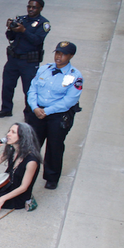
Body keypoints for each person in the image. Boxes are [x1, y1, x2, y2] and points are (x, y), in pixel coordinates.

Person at [26, 41, 83, 190]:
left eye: (63, 54)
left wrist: (47, 111)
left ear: (71, 56)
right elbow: (32, 89)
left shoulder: (75, 77)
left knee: (54, 146)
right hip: (37, 112)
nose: (59, 56)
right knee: (32, 145)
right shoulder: (44, 69)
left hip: (57, 115)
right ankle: (27, 173)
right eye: (57, 53)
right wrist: (35, 107)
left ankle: (51, 177)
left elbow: (69, 101)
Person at [0, 0, 50, 118]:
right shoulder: (21, 19)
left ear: (41, 8)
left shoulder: (43, 23)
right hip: (13, 59)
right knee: (7, 86)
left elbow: (37, 40)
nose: (31, 9)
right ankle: (6, 109)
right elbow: (10, 37)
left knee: (29, 89)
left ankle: (29, 114)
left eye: (34, 7)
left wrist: (24, 30)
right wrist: (10, 28)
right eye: (29, 7)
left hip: (29, 62)